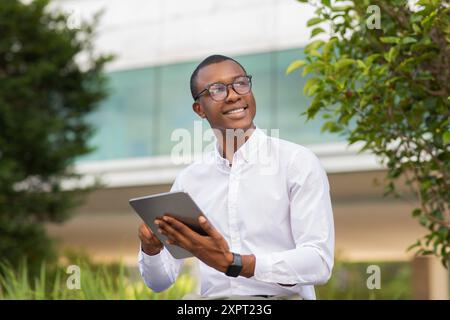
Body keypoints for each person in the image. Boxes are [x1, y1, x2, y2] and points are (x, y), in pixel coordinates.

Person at [137, 54, 334, 300]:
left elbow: (319, 262)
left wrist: (236, 263)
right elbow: (159, 282)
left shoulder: (297, 163)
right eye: (217, 90)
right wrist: (151, 249)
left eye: (240, 83)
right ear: (199, 109)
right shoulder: (189, 180)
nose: (233, 95)